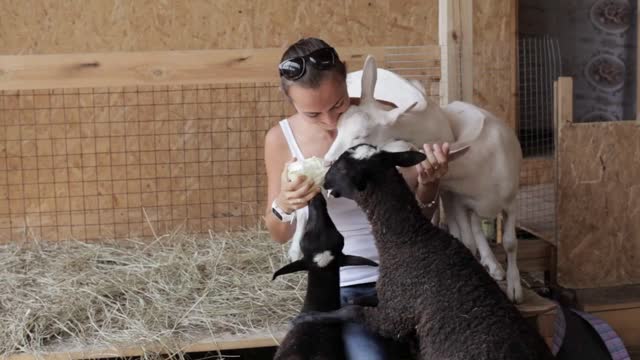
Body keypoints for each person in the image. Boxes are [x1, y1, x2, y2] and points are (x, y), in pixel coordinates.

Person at [263, 37, 450, 360]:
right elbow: (279, 234)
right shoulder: (281, 139)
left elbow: (421, 218)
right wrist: (284, 203)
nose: (330, 122)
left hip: (400, 274)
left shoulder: (381, 120)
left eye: (338, 105)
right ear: (289, 101)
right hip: (340, 281)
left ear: (347, 82)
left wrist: (429, 184)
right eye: (312, 114)